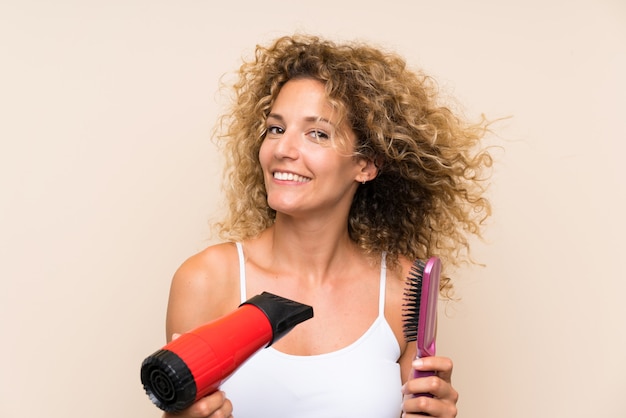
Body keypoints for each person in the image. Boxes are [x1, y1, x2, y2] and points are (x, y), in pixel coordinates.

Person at [162, 34, 492, 418]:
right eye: (275, 128)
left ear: (365, 165)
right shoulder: (205, 280)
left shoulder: (400, 288)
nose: (284, 149)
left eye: (317, 133)